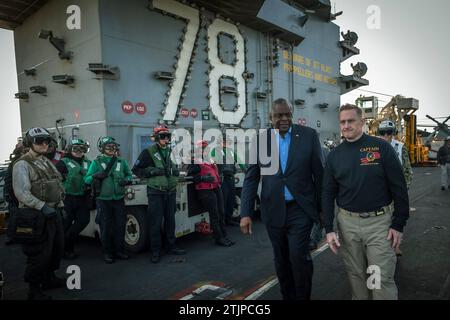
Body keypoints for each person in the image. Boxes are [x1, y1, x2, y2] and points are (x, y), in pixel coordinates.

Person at [322, 104, 410, 300]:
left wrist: (398, 224)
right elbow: (327, 193)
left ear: (362, 122)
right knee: (356, 276)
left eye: (350, 121)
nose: (346, 126)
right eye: (342, 122)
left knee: (378, 277)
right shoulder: (334, 156)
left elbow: (399, 187)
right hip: (347, 225)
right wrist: (328, 228)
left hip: (379, 224)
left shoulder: (381, 148)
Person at [240, 98, 324, 300]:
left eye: (288, 114)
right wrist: (245, 214)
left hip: (300, 209)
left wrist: (323, 210)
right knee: (281, 259)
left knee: (298, 256)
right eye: (279, 115)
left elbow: (320, 176)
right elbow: (251, 179)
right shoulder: (261, 141)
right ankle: (288, 296)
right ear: (271, 117)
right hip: (273, 210)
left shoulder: (309, 136)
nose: (284, 118)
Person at [12, 128, 66, 300]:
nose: (44, 144)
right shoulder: (22, 164)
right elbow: (22, 193)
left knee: (56, 248)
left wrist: (60, 205)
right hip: (35, 215)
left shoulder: (45, 161)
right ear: (29, 143)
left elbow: (57, 183)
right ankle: (34, 290)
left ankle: (49, 278)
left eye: (46, 141)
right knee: (38, 254)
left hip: (53, 211)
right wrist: (42, 207)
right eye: (39, 141)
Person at [132, 125, 186, 264]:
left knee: (170, 221)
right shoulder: (148, 152)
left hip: (170, 191)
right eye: (162, 136)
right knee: (155, 222)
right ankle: (155, 251)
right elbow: (136, 170)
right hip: (156, 191)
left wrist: (174, 174)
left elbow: (176, 169)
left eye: (167, 136)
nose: (165, 138)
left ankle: (171, 246)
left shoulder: (171, 152)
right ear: (156, 138)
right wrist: (152, 172)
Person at [84, 136, 132, 264]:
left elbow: (129, 174)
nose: (111, 148)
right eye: (108, 146)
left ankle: (119, 251)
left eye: (113, 146)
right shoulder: (96, 162)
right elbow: (86, 179)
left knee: (120, 226)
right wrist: (95, 176)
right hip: (103, 200)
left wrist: (127, 180)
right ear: (102, 148)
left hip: (119, 199)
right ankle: (107, 253)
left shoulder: (122, 162)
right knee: (105, 227)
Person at [188, 140, 235, 247]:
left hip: (216, 187)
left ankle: (224, 236)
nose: (206, 150)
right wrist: (202, 178)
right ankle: (219, 238)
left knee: (221, 213)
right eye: (204, 148)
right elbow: (190, 176)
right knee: (215, 215)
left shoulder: (209, 159)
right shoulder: (195, 161)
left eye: (207, 148)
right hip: (205, 190)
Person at [378, 120, 413, 256]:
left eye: (389, 133)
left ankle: (396, 245)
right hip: (379, 191)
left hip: (395, 191)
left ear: (394, 134)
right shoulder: (373, 147)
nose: (386, 136)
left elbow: (408, 171)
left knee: (396, 218)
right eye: (383, 133)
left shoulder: (400, 147)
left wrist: (403, 191)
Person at [55, 138, 91, 259]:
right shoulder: (63, 163)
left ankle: (67, 241)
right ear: (70, 149)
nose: (79, 151)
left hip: (82, 198)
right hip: (67, 198)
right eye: (76, 148)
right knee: (65, 224)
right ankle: (65, 250)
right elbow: (55, 180)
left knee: (84, 220)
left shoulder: (88, 162)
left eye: (82, 148)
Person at [211, 137, 246, 226]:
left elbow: (240, 162)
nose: (225, 143)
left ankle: (228, 219)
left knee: (231, 200)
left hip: (231, 178)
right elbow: (211, 162)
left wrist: (247, 171)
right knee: (223, 201)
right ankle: (221, 221)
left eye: (226, 141)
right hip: (222, 179)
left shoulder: (230, 151)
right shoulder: (215, 151)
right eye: (223, 141)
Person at [3, 141, 29, 245]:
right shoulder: (19, 162)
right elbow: (11, 180)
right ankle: (12, 237)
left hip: (14, 192)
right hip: (13, 193)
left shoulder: (17, 160)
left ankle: (16, 236)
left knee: (18, 215)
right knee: (16, 215)